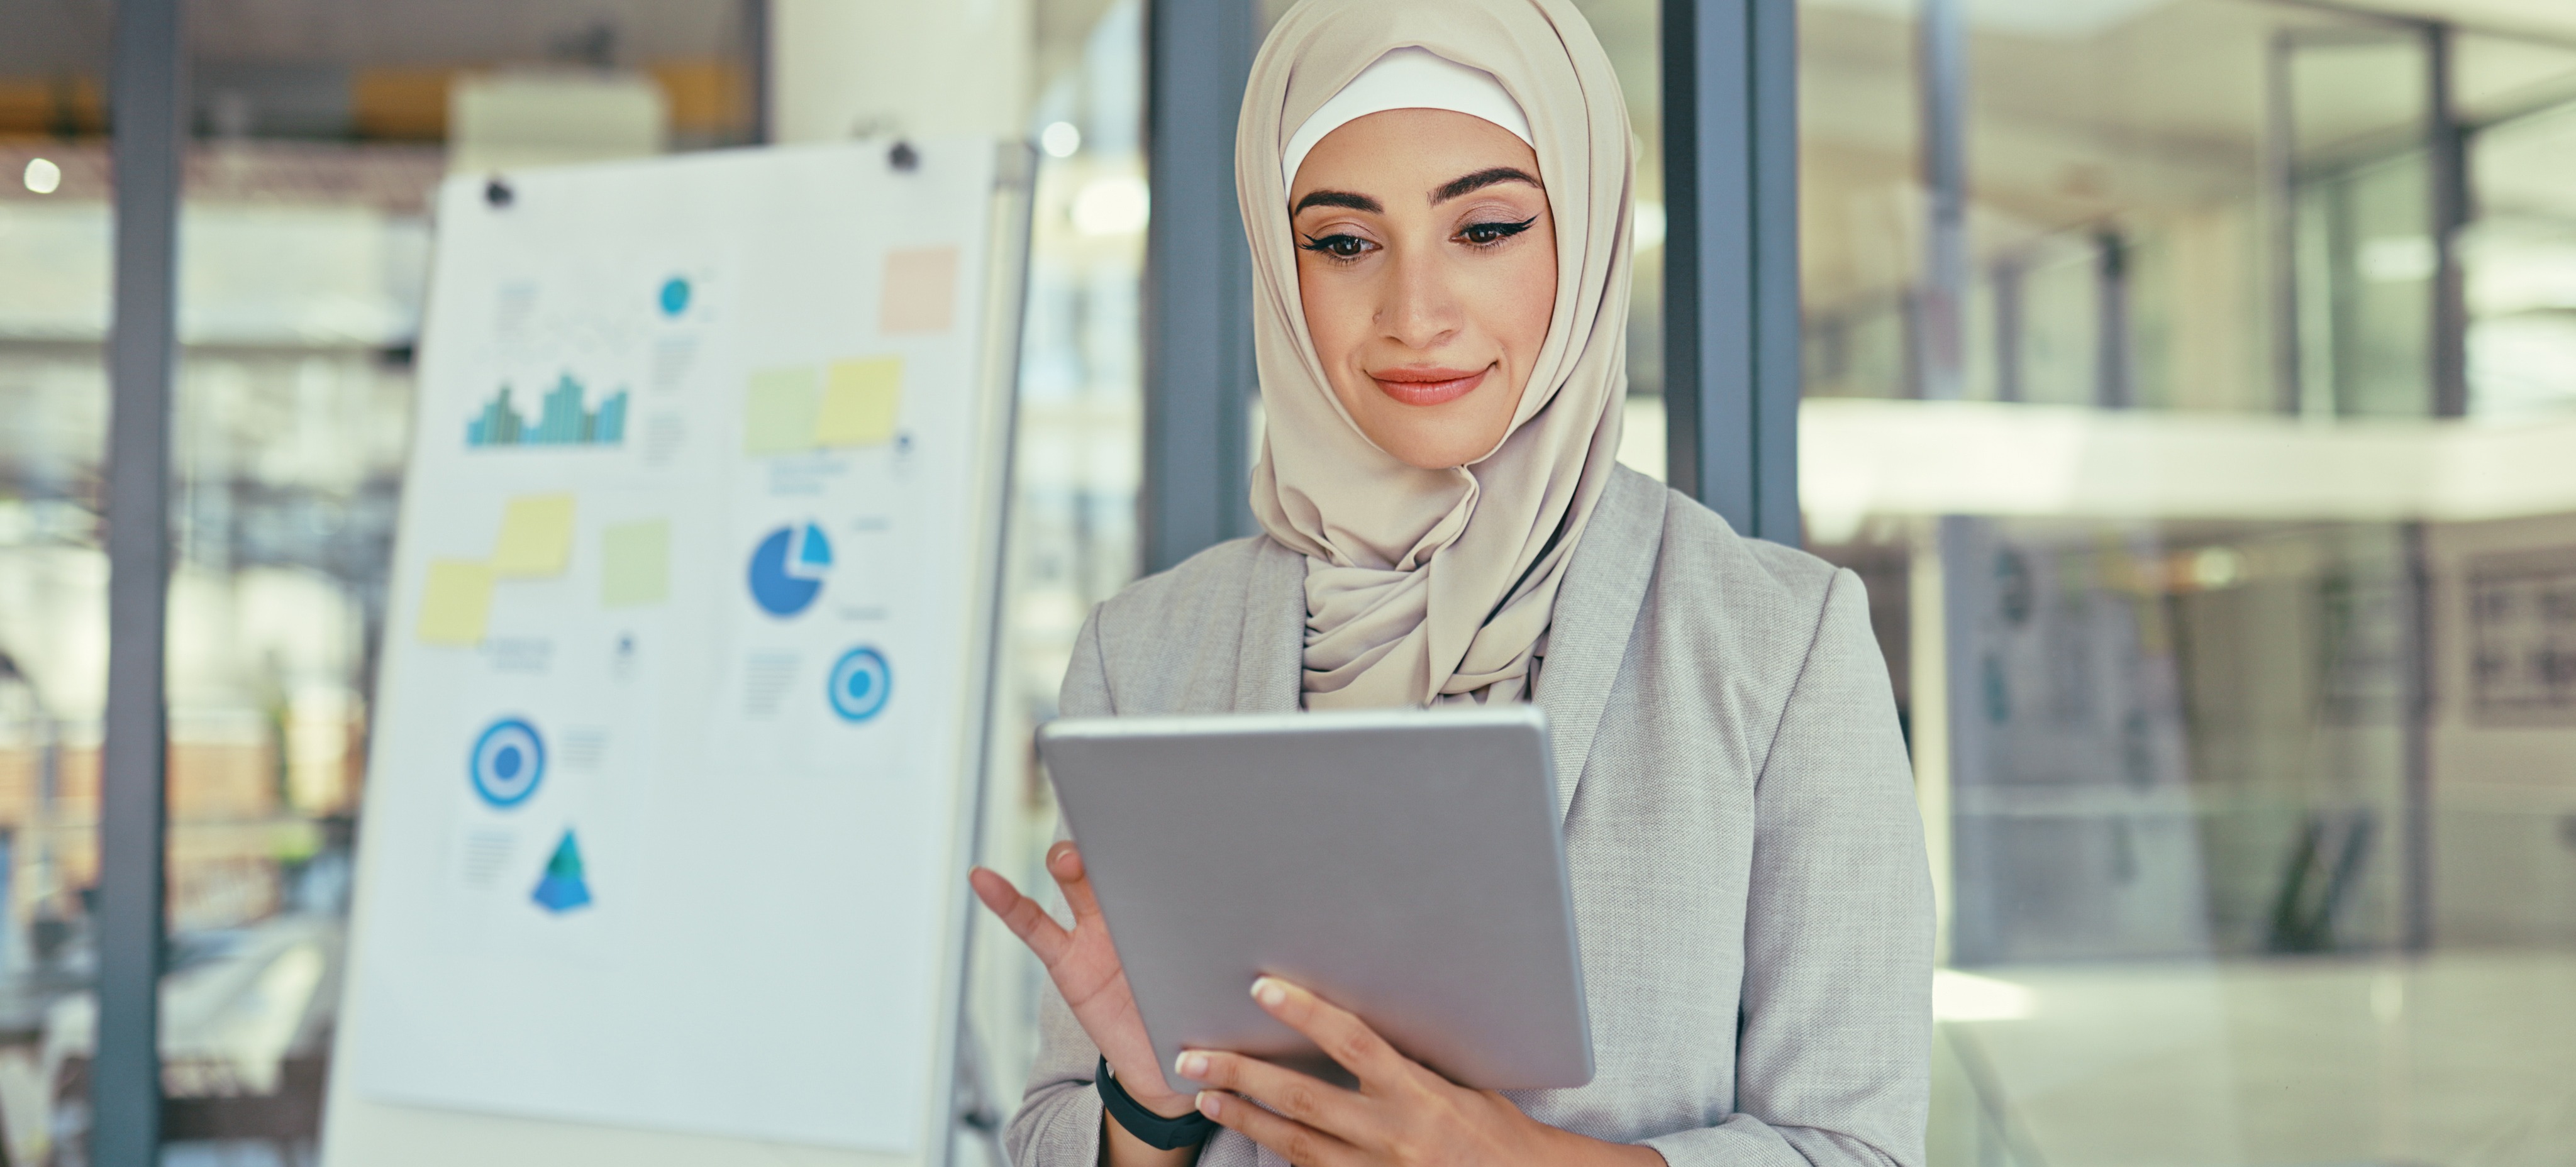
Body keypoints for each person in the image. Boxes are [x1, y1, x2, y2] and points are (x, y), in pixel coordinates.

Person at [968, 0, 1934, 1163]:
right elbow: (1051, 1135)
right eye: (1343, 243)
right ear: (1281, 272)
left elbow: (1858, 1147)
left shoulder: (1776, 644)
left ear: (1581, 237)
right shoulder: (1148, 649)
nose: (1415, 316)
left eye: (1484, 229)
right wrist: (1145, 1109)